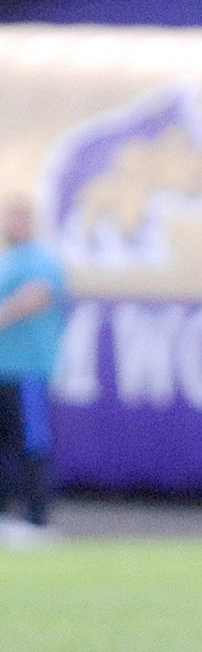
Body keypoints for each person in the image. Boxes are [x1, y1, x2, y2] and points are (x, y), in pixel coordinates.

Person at [0, 193, 69, 544]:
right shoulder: (6, 261)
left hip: (28, 370)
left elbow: (37, 296)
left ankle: (37, 519)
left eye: (21, 218)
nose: (14, 225)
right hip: (2, 370)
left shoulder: (41, 260)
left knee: (32, 443)